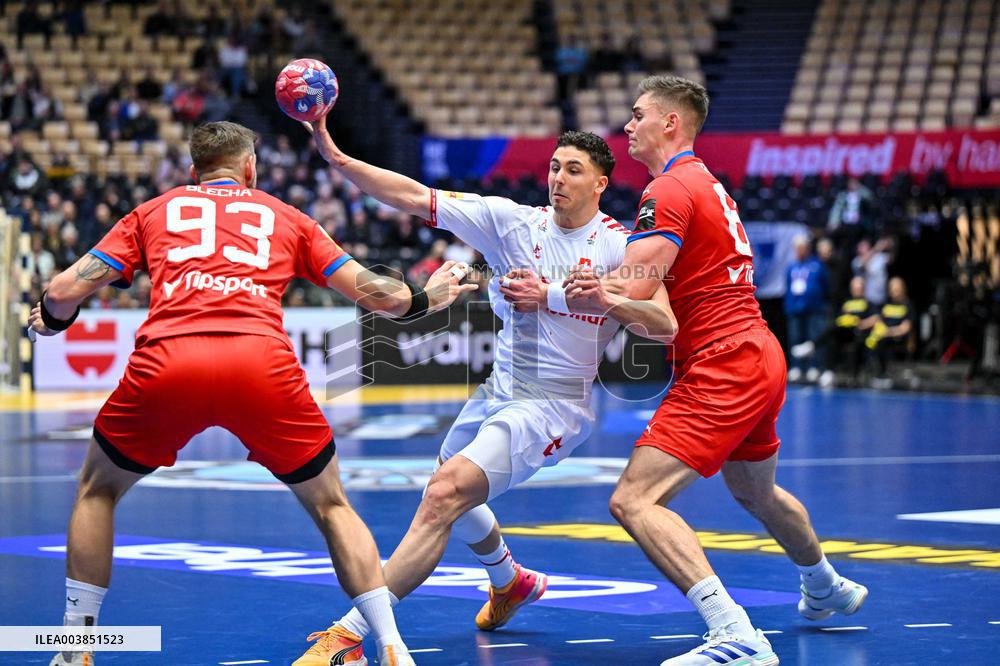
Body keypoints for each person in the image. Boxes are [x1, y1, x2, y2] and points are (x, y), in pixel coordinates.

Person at [29, 121, 479, 666]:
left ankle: (75, 648)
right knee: (331, 505)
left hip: (169, 362)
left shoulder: (152, 212)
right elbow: (379, 295)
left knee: (97, 490)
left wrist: (55, 318)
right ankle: (389, 644)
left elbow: (63, 290)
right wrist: (425, 298)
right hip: (261, 366)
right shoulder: (287, 217)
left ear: (193, 172)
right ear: (250, 168)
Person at [292, 117, 676, 665]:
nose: (558, 178)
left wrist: (575, 297)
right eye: (554, 167)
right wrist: (338, 158)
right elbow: (414, 196)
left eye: (574, 170)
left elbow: (663, 326)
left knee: (444, 494)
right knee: (445, 478)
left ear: (600, 183)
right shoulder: (512, 223)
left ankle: (349, 636)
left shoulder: (620, 247)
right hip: (499, 389)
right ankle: (509, 581)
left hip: (552, 405)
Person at [564, 75, 867, 666]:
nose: (627, 125)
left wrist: (562, 287)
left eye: (637, 114)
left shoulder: (667, 188)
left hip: (722, 360)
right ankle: (825, 584)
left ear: (670, 122)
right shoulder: (704, 182)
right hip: (757, 351)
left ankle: (736, 634)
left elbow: (636, 289)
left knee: (635, 500)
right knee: (755, 489)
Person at [783, 235, 829, 384]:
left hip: (814, 308)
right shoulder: (791, 266)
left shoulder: (816, 265)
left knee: (813, 337)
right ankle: (796, 367)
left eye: (802, 247)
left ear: (807, 248)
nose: (800, 250)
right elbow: (788, 286)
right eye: (797, 248)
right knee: (795, 338)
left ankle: (813, 367)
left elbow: (825, 285)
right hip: (795, 308)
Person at [865, 276, 914, 388]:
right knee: (868, 341)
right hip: (884, 335)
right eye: (892, 289)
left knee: (883, 342)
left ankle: (884, 374)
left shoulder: (908, 305)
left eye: (897, 289)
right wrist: (878, 329)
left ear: (903, 289)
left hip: (899, 337)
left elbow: (906, 328)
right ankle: (872, 373)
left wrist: (889, 332)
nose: (894, 291)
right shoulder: (886, 304)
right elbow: (879, 320)